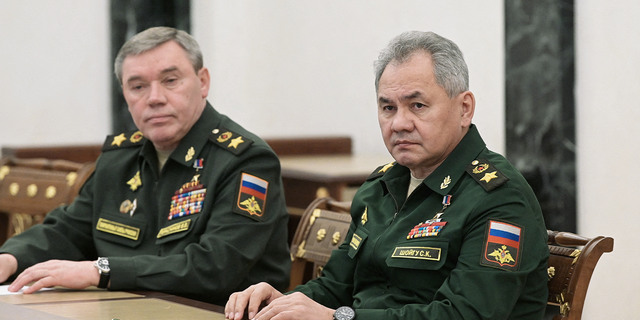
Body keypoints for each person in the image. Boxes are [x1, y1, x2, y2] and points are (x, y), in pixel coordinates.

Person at [225, 31, 549, 319]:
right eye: (388, 108)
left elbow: (466, 314)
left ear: (464, 108)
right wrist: (280, 304)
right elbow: (334, 288)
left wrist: (337, 318)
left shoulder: (499, 198)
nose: (399, 123)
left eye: (417, 106)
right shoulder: (381, 188)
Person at [0, 26, 291, 305]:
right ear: (125, 95)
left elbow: (215, 268)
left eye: (170, 81)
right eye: (138, 86)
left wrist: (100, 271)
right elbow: (70, 230)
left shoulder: (245, 161)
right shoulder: (120, 158)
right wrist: (10, 258)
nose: (154, 98)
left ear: (203, 82)